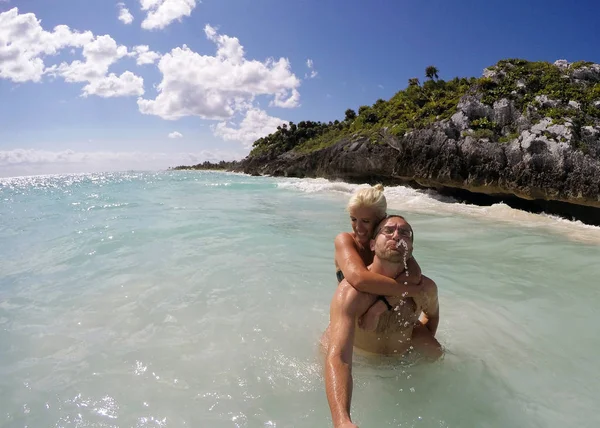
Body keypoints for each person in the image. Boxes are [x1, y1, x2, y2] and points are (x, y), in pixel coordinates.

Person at [324, 215, 442, 428]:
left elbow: (432, 317)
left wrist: (414, 347)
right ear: (372, 244)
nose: (397, 236)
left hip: (398, 364)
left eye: (405, 232)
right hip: (359, 361)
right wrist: (342, 420)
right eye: (388, 231)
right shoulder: (352, 294)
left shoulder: (425, 289)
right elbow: (339, 357)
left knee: (437, 353)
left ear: (411, 248)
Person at [334, 184, 424, 331]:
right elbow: (359, 279)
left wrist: (381, 306)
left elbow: (414, 275)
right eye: (353, 219)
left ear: (381, 220)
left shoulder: (388, 244)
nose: (358, 227)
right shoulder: (345, 241)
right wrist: (410, 291)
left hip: (384, 321)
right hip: (353, 322)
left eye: (366, 221)